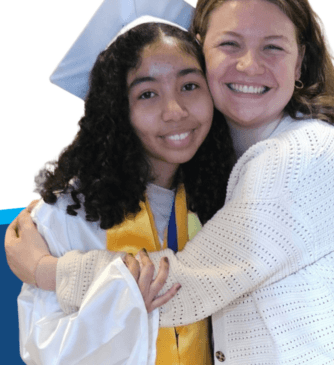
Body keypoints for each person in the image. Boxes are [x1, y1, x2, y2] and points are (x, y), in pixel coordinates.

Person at [7, 0, 334, 364]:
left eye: (273, 46)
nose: (249, 65)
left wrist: (43, 269)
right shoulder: (74, 212)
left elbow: (183, 287)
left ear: (300, 60)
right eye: (230, 44)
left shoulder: (295, 156)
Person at [13, 19, 234, 365]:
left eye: (190, 85)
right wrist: (122, 306)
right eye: (147, 94)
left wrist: (51, 270)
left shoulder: (223, 196)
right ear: (118, 109)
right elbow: (44, 349)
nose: (174, 111)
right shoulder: (67, 214)